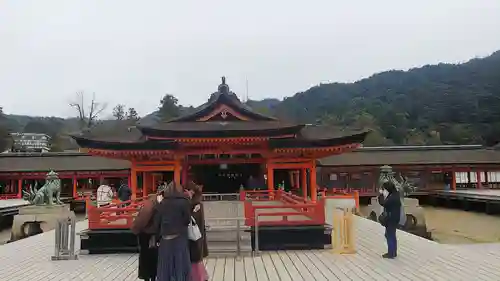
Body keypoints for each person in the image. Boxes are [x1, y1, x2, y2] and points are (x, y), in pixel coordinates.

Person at [154, 182, 192, 281]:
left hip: (165, 238)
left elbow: (157, 222)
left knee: (165, 265)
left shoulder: (162, 203)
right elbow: (187, 220)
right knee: (180, 263)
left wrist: (157, 238)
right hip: (179, 237)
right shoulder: (184, 202)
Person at [131, 191, 161, 281]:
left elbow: (142, 220)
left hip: (147, 234)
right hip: (155, 234)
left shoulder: (149, 204)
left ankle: (147, 276)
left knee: (146, 257)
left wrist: (135, 229)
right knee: (154, 257)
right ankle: (153, 276)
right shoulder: (157, 203)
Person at [186, 181, 209, 281]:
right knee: (195, 260)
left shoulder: (196, 204)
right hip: (196, 235)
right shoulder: (196, 202)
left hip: (195, 234)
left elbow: (193, 219)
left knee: (195, 259)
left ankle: (199, 278)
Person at [378, 181, 401, 259]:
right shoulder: (395, 194)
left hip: (391, 219)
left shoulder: (392, 198)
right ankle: (393, 252)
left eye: (384, 189)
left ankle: (391, 253)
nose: (383, 190)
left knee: (389, 235)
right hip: (395, 218)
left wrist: (381, 195)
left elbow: (383, 203)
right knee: (391, 235)